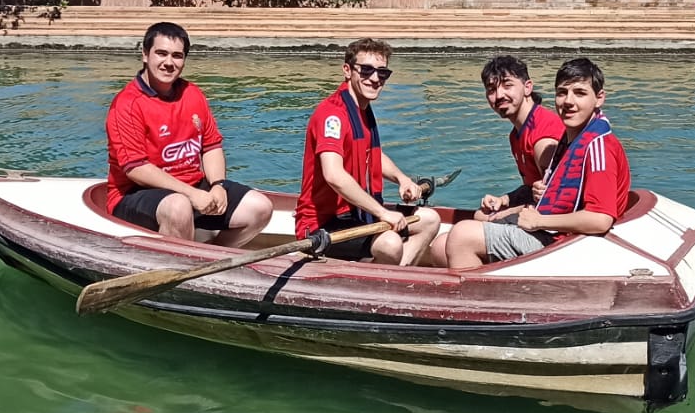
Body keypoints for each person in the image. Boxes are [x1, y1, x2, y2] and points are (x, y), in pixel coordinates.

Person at [445, 57, 629, 269]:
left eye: (580, 93)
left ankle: (482, 290)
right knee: (448, 242)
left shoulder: (596, 147)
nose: (568, 101)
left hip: (568, 243)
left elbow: (600, 219)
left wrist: (538, 221)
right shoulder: (570, 140)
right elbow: (546, 190)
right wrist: (506, 200)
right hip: (557, 232)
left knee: (462, 235)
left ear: (599, 98)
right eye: (562, 93)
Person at [105, 22, 273, 247]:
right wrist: (192, 195)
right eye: (161, 53)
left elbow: (211, 146)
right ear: (145, 54)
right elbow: (136, 168)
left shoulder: (193, 94)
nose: (169, 63)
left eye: (177, 56)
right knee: (179, 207)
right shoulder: (127, 104)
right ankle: (179, 261)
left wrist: (218, 185)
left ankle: (214, 256)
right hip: (135, 194)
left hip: (192, 186)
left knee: (260, 208)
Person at [296, 39, 444, 266]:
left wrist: (402, 179)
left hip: (358, 215)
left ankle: (392, 277)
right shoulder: (332, 116)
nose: (375, 79)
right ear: (347, 70)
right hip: (323, 225)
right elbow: (334, 175)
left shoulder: (362, 111)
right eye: (366, 70)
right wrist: (382, 213)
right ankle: (384, 277)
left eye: (382, 73)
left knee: (430, 220)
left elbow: (372, 155)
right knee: (390, 244)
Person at [466, 55, 565, 223]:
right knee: (480, 215)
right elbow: (532, 188)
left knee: (469, 228)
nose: (499, 95)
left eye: (507, 85)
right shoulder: (516, 135)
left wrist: (505, 213)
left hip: (555, 220)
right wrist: (504, 200)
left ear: (527, 87)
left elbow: (555, 199)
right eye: (491, 89)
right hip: (541, 209)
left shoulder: (543, 140)